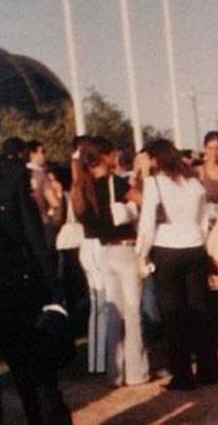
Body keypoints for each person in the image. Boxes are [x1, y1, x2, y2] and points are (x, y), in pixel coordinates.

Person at [0, 152, 72, 425]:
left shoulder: (11, 177)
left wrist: (52, 292)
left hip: (15, 296)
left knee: (37, 381)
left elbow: (34, 238)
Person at [136, 139, 218, 390]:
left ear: (155, 158)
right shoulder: (193, 182)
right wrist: (200, 241)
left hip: (167, 249)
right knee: (200, 311)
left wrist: (142, 254)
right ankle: (208, 369)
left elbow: (147, 223)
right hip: (195, 247)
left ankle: (182, 375)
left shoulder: (154, 183)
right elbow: (204, 218)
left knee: (174, 315)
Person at [71, 137, 149, 387]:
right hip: (125, 249)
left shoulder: (82, 189)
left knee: (113, 314)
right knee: (133, 312)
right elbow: (144, 201)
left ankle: (114, 373)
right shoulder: (116, 182)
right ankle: (136, 371)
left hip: (104, 251)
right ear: (105, 156)